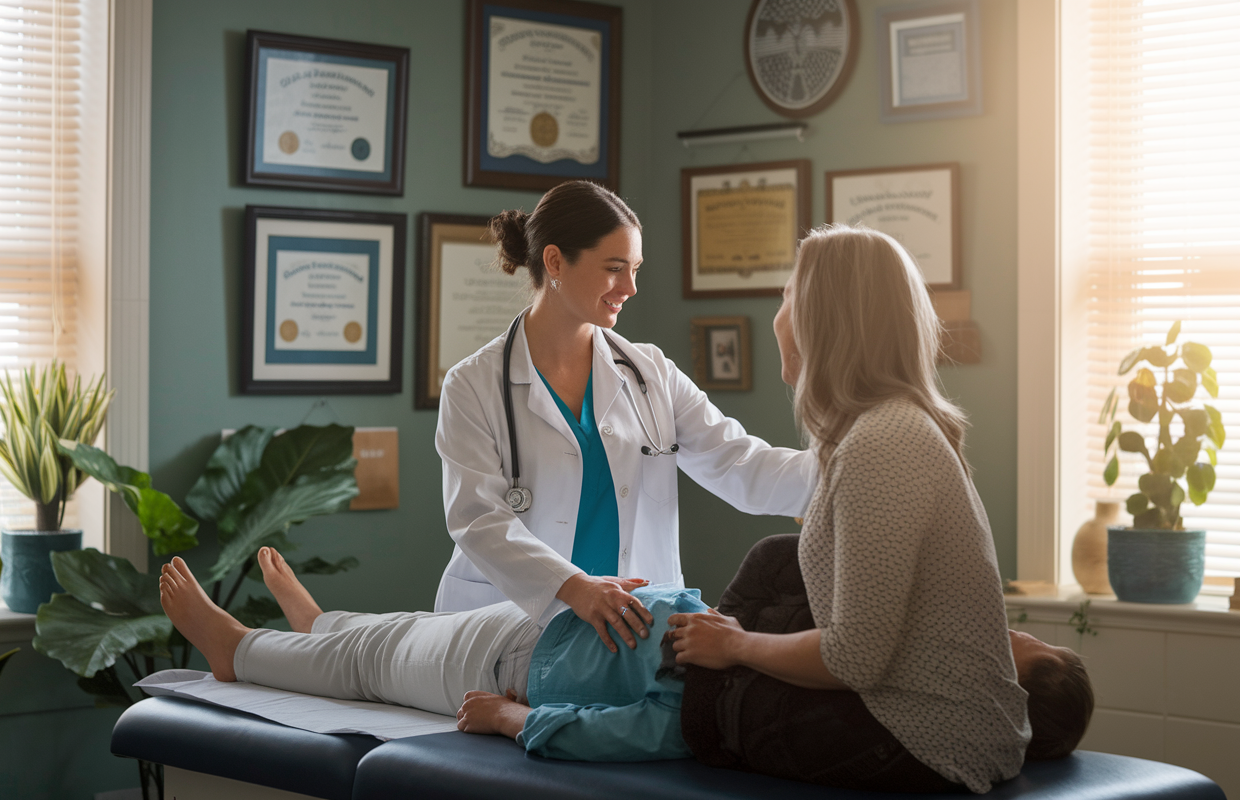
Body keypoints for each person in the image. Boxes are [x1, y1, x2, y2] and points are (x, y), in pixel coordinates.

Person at [665, 224, 1094, 793]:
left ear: (824, 320)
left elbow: (852, 660)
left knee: (702, 701)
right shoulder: (878, 432)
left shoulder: (886, 439)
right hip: (926, 728)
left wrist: (737, 645)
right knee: (775, 565)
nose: (779, 314)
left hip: (919, 745)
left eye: (789, 296)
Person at [159, 544, 1090, 770]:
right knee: (392, 633)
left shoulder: (779, 699)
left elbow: (639, 732)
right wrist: (673, 611)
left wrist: (515, 719)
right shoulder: (850, 662)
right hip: (571, 625)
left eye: (1027, 646)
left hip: (533, 671)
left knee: (385, 659)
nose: (1006, 633)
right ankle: (314, 628)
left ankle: (242, 652)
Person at [434, 180, 815, 653]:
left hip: (631, 626)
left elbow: (738, 461)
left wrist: (848, 466)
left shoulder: (650, 372)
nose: (630, 288)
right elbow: (479, 520)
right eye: (615, 269)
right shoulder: (473, 385)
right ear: (554, 262)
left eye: (634, 270)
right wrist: (574, 588)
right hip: (510, 626)